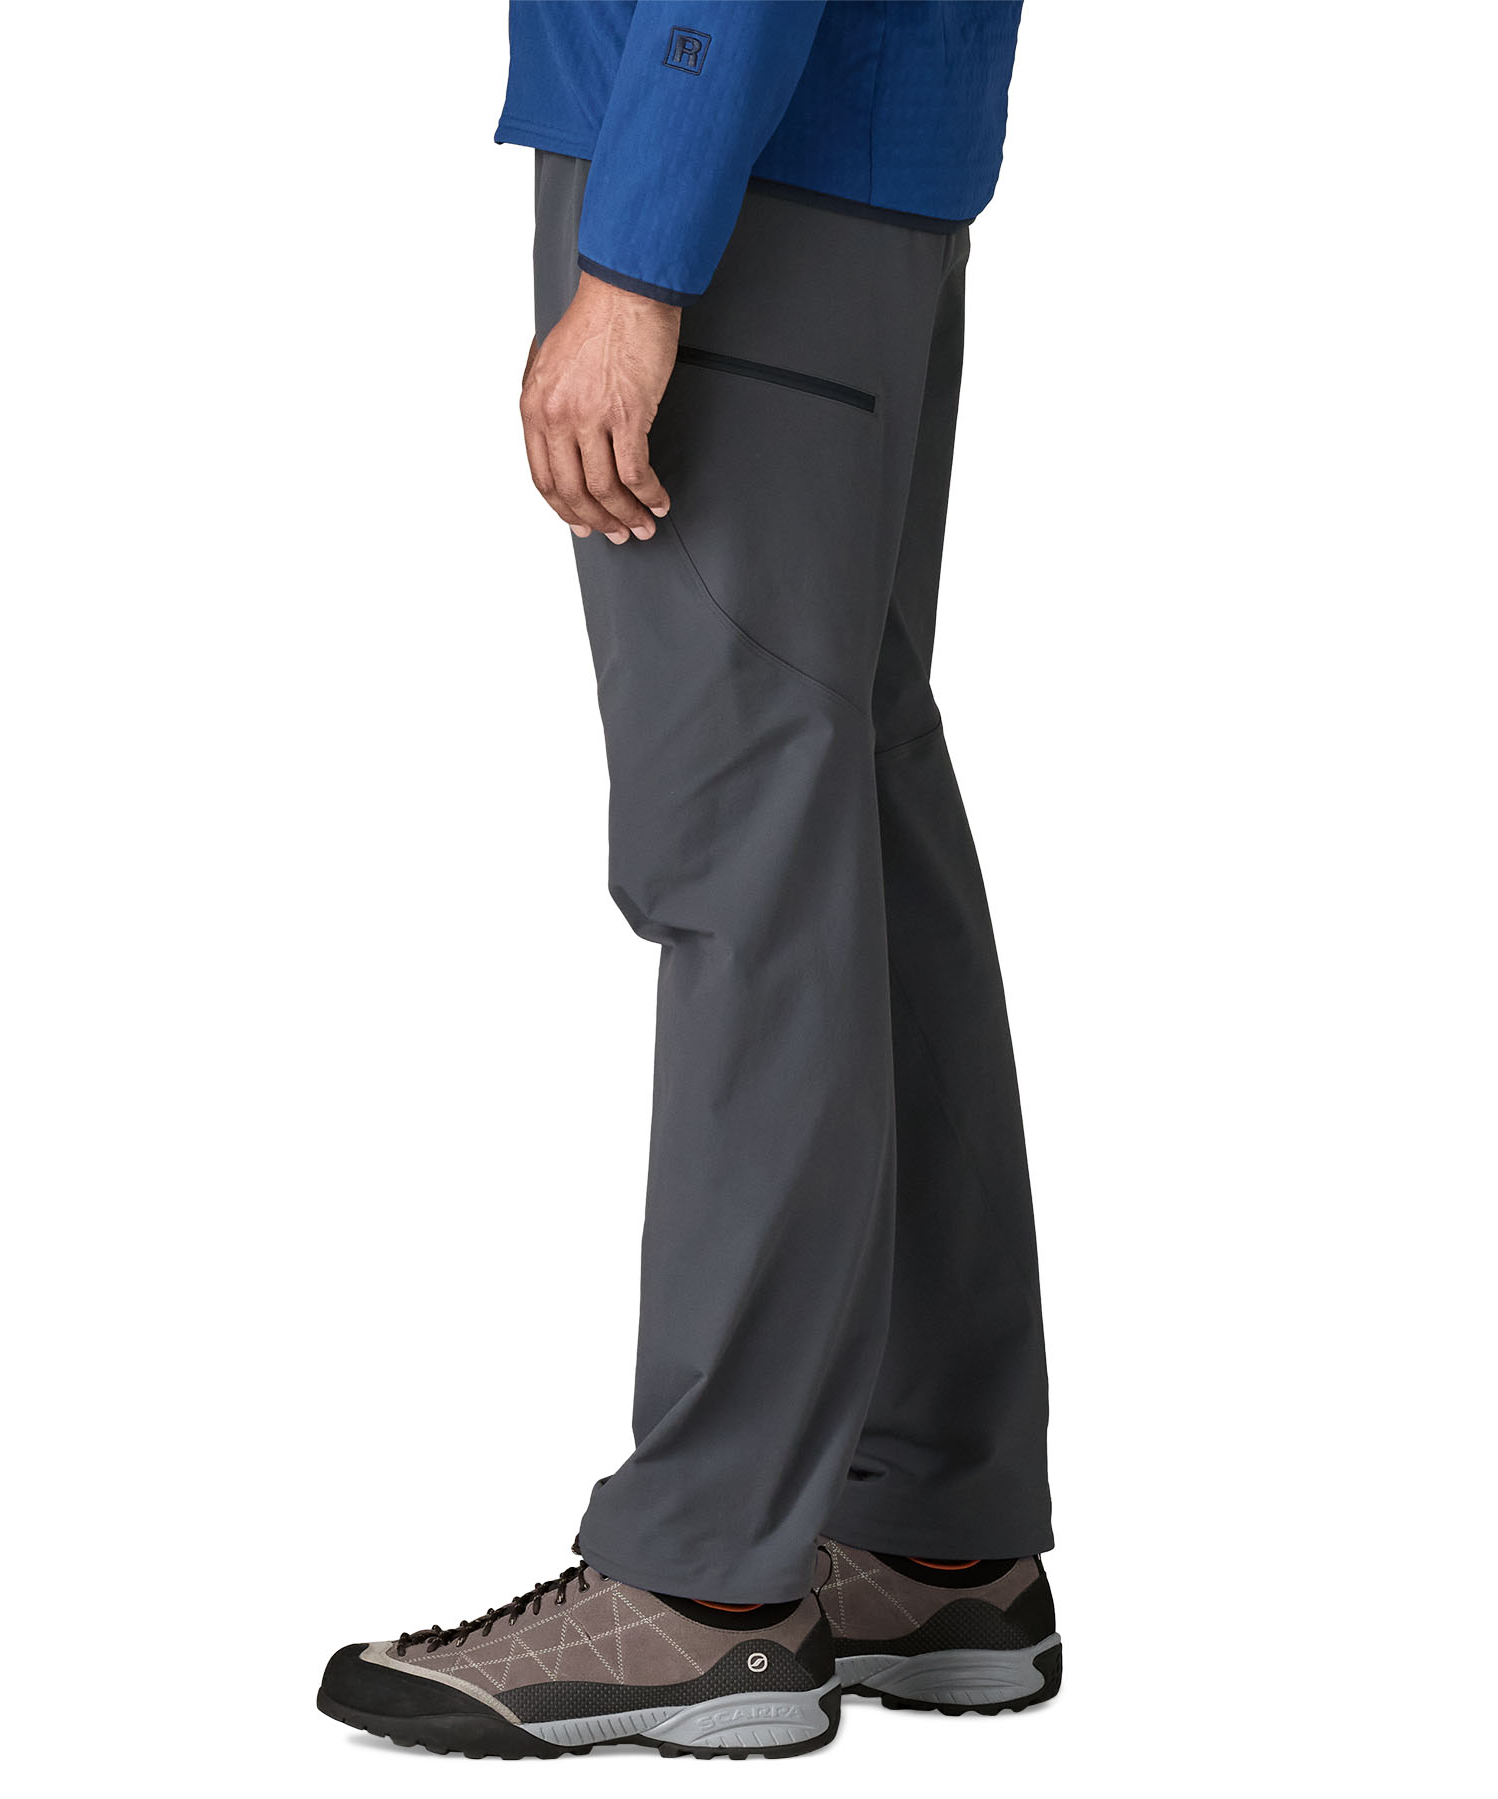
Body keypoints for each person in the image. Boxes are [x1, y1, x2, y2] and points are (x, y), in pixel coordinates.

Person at [317, 3, 1057, 1760]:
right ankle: (932, 1527)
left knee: (746, 855)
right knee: (853, 821)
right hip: (839, 160)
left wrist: (639, 256)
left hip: (726, 159)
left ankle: (710, 1584)